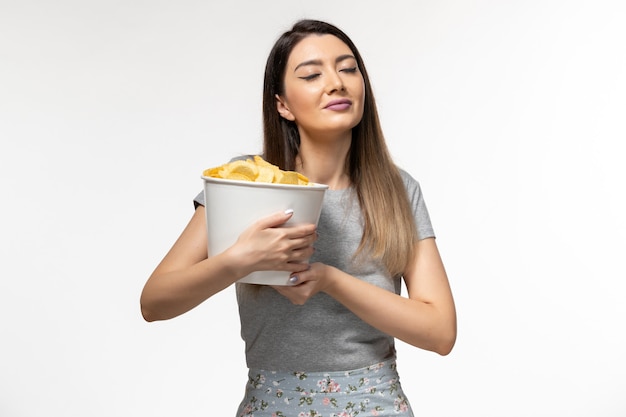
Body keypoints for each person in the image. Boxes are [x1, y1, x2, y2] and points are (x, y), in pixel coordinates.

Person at [140, 19, 456, 417]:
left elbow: (441, 331)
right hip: (271, 406)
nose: (336, 83)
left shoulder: (397, 190)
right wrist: (240, 260)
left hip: (378, 406)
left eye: (348, 68)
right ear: (283, 104)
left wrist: (329, 280)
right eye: (311, 74)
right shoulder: (246, 183)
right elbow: (154, 302)